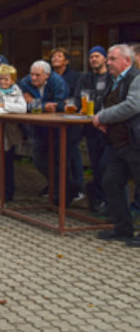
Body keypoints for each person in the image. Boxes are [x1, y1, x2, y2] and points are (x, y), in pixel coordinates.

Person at [93, 44, 140, 246]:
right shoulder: (114, 80)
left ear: (126, 61)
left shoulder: (137, 78)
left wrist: (102, 116)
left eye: (112, 59)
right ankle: (123, 229)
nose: (108, 62)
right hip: (118, 144)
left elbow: (132, 105)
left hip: (135, 142)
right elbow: (110, 103)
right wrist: (105, 120)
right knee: (111, 182)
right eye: (108, 59)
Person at [19, 60, 71, 202]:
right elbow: (22, 103)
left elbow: (60, 105)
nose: (33, 78)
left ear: (47, 75)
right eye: (32, 75)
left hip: (57, 128)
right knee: (39, 160)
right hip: (38, 128)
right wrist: (42, 105)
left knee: (59, 160)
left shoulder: (58, 82)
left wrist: (35, 103)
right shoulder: (25, 82)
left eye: (38, 75)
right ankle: (57, 188)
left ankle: (63, 193)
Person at [0, 65, 27, 207]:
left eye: (6, 79)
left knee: (4, 169)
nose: (3, 82)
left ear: (12, 80)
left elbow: (22, 109)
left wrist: (2, 105)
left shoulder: (17, 91)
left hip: (9, 136)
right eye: (0, 79)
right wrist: (8, 108)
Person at [77, 46, 113, 213]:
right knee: (96, 165)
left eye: (97, 56)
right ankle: (98, 200)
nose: (93, 59)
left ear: (105, 59)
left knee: (107, 166)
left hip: (108, 127)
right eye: (91, 57)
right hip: (91, 127)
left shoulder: (112, 78)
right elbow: (78, 97)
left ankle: (108, 201)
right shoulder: (85, 78)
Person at [50, 47, 84, 198]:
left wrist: (62, 103)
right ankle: (59, 186)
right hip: (53, 120)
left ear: (66, 60)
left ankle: (78, 187)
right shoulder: (49, 77)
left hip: (71, 120)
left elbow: (75, 98)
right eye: (53, 57)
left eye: (59, 56)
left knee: (72, 153)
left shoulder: (75, 77)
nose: (55, 59)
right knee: (55, 153)